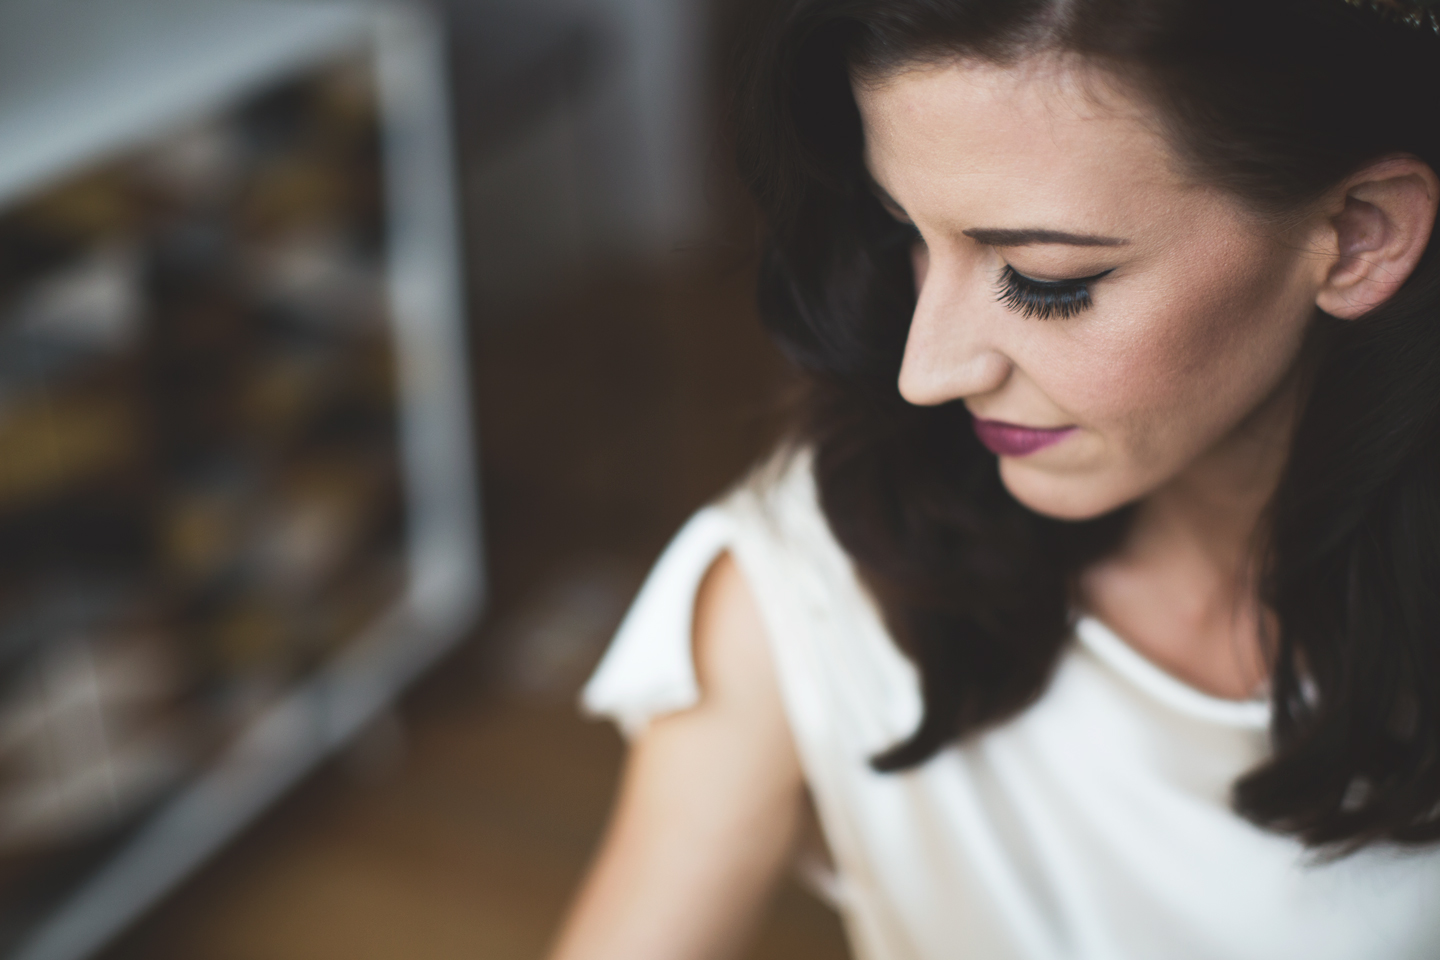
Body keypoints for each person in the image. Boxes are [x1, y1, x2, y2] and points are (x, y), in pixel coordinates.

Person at [548, 1, 1440, 957]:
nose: (926, 371)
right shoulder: (820, 577)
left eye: (1043, 279)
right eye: (908, 232)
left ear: (1361, 234)